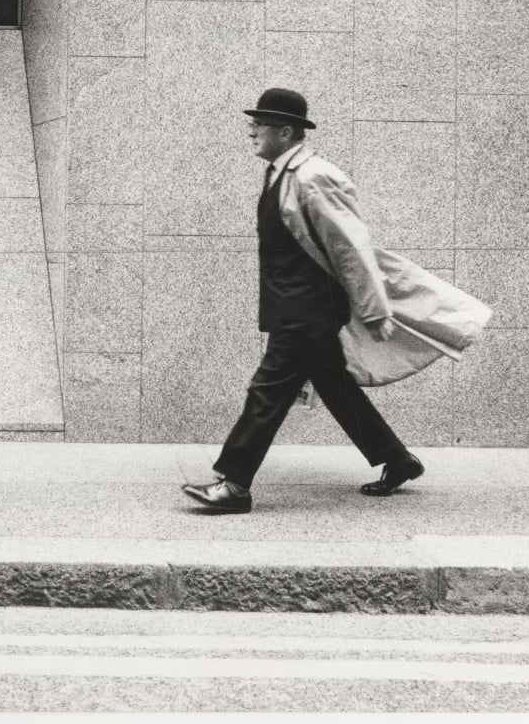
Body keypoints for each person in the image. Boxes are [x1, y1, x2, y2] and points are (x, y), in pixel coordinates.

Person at [181, 88, 490, 514]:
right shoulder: (281, 172)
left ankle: (234, 484)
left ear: (285, 131)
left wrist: (374, 307)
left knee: (266, 393)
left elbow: (351, 247)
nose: (251, 130)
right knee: (336, 387)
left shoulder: (313, 177)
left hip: (308, 312)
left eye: (260, 125)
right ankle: (397, 460)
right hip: (293, 306)